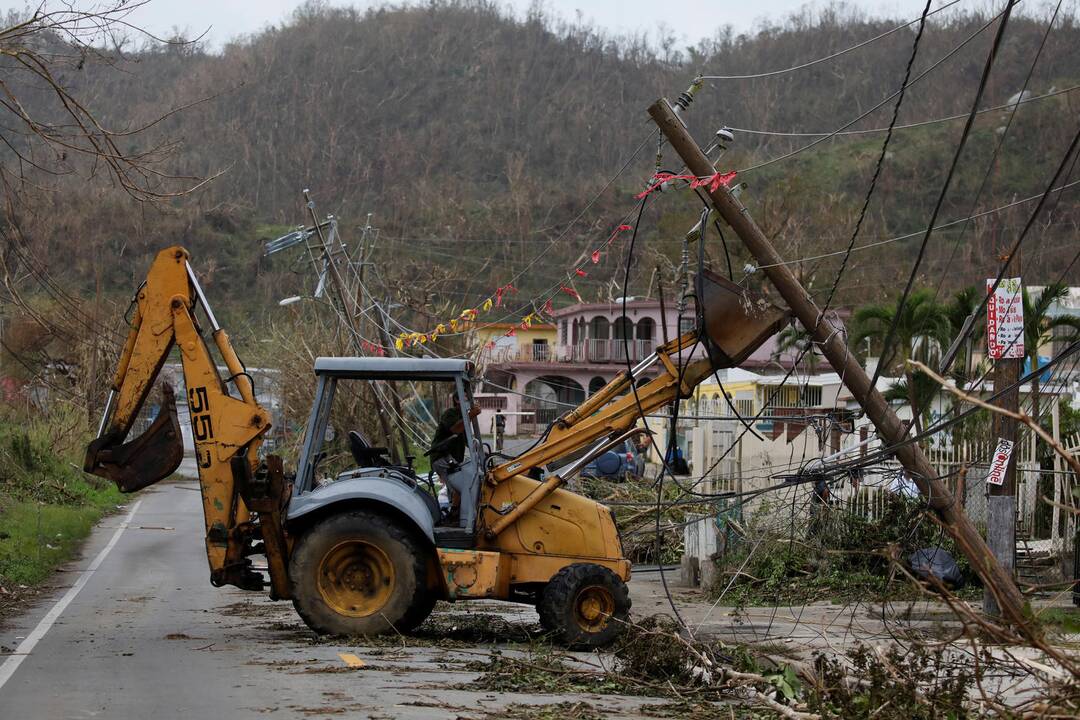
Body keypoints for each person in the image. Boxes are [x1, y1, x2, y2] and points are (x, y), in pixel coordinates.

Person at [427, 393, 480, 520]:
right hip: (442, 457)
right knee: (461, 486)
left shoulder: (463, 417)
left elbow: (467, 439)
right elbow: (456, 429)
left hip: (452, 459)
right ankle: (456, 516)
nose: (470, 401)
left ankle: (456, 513)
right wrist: (471, 415)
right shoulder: (450, 414)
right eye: (466, 397)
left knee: (467, 482)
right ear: (457, 399)